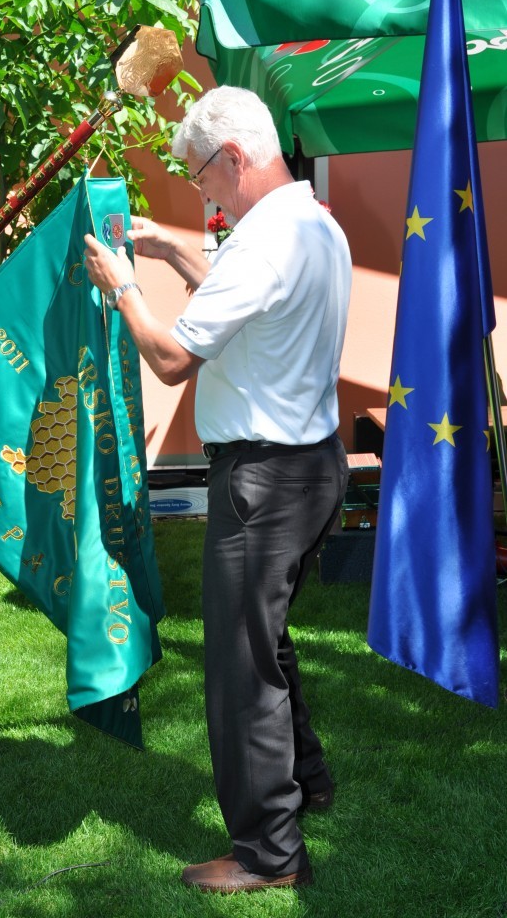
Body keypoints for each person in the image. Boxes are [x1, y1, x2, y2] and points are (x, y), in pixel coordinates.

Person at [84, 86, 352, 893]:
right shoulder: (309, 223)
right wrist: (171, 252)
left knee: (242, 667)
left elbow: (172, 359)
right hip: (311, 464)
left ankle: (268, 853)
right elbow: (245, 301)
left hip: (263, 481)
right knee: (266, 643)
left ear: (233, 157)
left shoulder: (263, 241)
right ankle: (308, 783)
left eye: (198, 174)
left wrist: (123, 286)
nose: (199, 189)